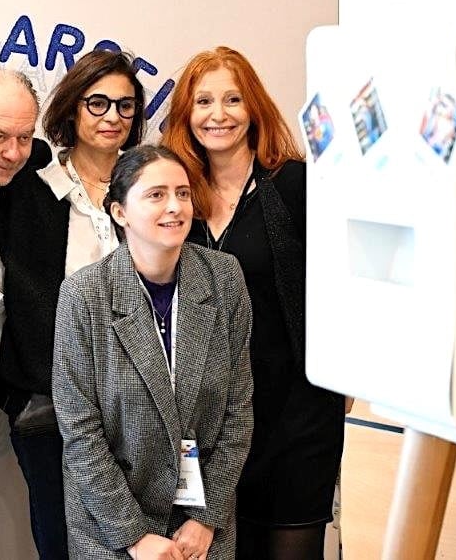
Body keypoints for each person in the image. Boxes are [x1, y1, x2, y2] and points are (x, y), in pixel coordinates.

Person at [162, 46, 346, 560]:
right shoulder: (175, 196)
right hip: (208, 424)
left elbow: (339, 281)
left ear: (254, 108)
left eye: (232, 99)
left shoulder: (295, 184)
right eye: (203, 101)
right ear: (186, 114)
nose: (217, 114)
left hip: (295, 412)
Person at [53, 145, 253, 560]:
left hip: (202, 523)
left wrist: (206, 518)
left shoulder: (224, 278)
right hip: (111, 525)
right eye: (156, 195)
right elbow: (80, 432)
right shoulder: (84, 295)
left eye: (182, 193)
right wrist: (135, 536)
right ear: (120, 213)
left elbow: (238, 411)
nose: (175, 207)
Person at [0, 50, 147, 559]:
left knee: (134, 543)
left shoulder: (150, 187)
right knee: (60, 542)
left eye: (125, 105)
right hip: (49, 407)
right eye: (97, 103)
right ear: (72, 109)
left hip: (136, 406)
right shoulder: (30, 180)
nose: (112, 117)